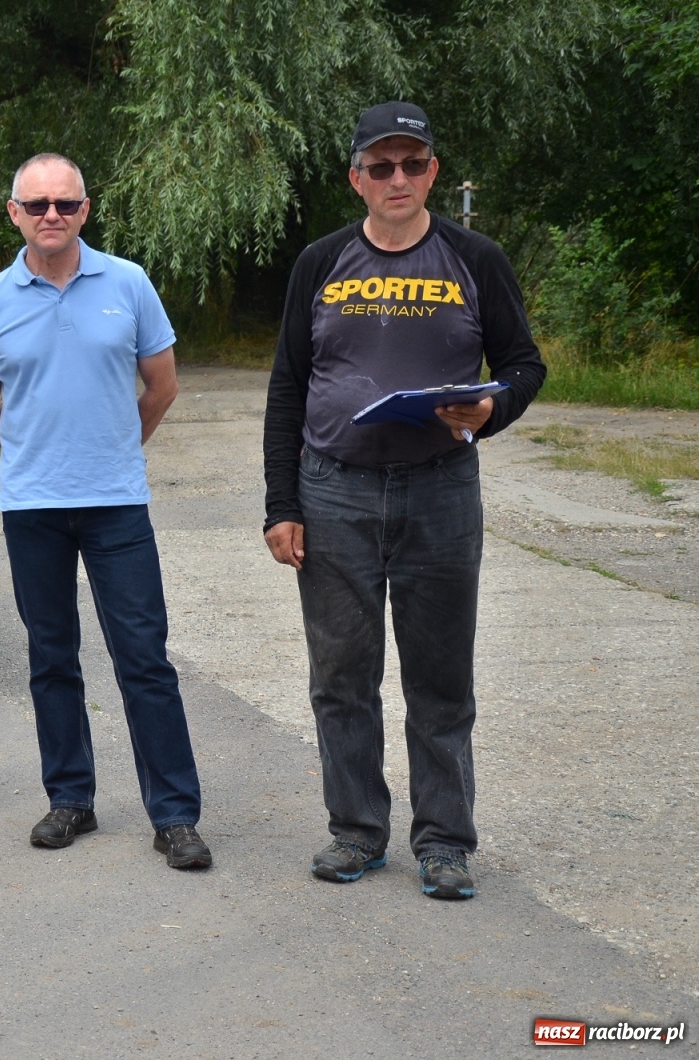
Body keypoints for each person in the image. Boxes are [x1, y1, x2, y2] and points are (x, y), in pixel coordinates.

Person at [262, 102, 547, 900]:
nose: (397, 179)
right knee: (342, 675)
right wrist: (281, 504)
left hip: (441, 492)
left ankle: (446, 843)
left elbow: (524, 364)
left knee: (441, 677)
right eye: (380, 166)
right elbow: (289, 385)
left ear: (431, 171)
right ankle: (355, 832)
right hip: (334, 491)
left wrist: (493, 411)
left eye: (412, 164)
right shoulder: (321, 262)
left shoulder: (474, 257)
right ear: (355, 176)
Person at [0, 153, 211, 870]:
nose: (50, 216)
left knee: (144, 660)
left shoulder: (128, 284)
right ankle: (70, 799)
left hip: (116, 507)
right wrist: (37, 451)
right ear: (14, 212)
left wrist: (112, 449)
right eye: (36, 205)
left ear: (85, 210)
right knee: (52, 660)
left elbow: (161, 386)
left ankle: (175, 816)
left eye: (64, 205)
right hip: (34, 507)